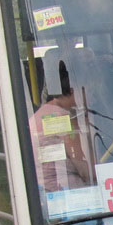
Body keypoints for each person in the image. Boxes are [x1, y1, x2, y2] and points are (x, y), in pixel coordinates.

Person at [30, 55, 94, 192]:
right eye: (87, 90)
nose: (90, 96)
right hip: (64, 189)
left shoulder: (44, 113)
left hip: (42, 188)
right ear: (72, 90)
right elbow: (84, 169)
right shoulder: (64, 119)